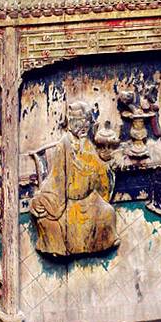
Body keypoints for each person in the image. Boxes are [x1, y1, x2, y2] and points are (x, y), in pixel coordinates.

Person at [30, 101, 117, 256]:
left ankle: (102, 244)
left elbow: (98, 172)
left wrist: (101, 164)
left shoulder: (87, 144)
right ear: (71, 123)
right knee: (50, 223)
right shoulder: (64, 144)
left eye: (86, 122)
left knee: (108, 213)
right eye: (79, 122)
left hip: (89, 200)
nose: (83, 127)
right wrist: (44, 200)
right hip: (67, 201)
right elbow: (56, 178)